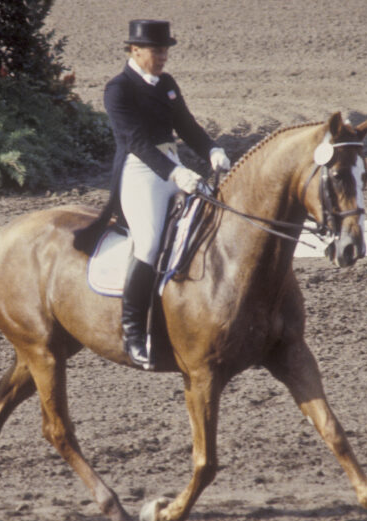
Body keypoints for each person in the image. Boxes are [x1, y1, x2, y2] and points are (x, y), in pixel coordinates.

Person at [104, 19, 230, 370]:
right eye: (156, 51)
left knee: (214, 218)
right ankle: (132, 333)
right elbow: (138, 143)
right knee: (148, 244)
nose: (162, 57)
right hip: (140, 172)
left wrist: (212, 150)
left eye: (165, 50)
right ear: (135, 50)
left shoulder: (167, 84)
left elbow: (186, 126)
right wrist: (176, 174)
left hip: (173, 166)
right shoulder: (118, 89)